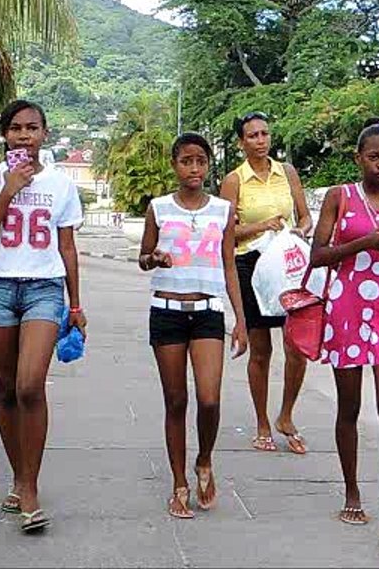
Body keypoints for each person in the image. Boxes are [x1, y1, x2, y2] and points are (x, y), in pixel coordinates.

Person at [0, 99, 86, 533]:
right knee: (5, 388)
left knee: (30, 384)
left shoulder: (60, 183)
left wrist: (76, 305)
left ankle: (31, 488)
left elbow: (68, 246)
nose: (23, 136)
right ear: (4, 135)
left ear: (44, 134)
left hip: (44, 289)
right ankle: (18, 477)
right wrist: (8, 189)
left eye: (31, 128)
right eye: (15, 128)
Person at [308, 118, 379, 555]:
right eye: (374, 156)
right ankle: (352, 491)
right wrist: (363, 242)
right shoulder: (341, 197)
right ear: (359, 158)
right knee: (349, 407)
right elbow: (319, 256)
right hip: (347, 307)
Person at [138, 132, 248, 519]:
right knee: (175, 401)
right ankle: (178, 483)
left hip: (207, 312)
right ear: (175, 165)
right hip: (166, 310)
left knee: (209, 399)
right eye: (186, 161)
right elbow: (143, 259)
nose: (194, 168)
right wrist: (155, 258)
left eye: (200, 161)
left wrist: (241, 320)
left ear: (208, 165)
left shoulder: (222, 210)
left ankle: (204, 460)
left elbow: (229, 264)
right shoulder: (159, 208)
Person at [218, 111, 313, 455]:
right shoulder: (235, 180)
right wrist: (262, 227)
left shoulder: (286, 172)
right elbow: (226, 231)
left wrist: (298, 231)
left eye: (264, 134)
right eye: (253, 135)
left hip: (287, 264)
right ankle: (261, 423)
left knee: (297, 346)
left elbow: (305, 215)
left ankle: (286, 416)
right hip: (251, 265)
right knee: (261, 350)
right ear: (242, 142)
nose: (261, 140)